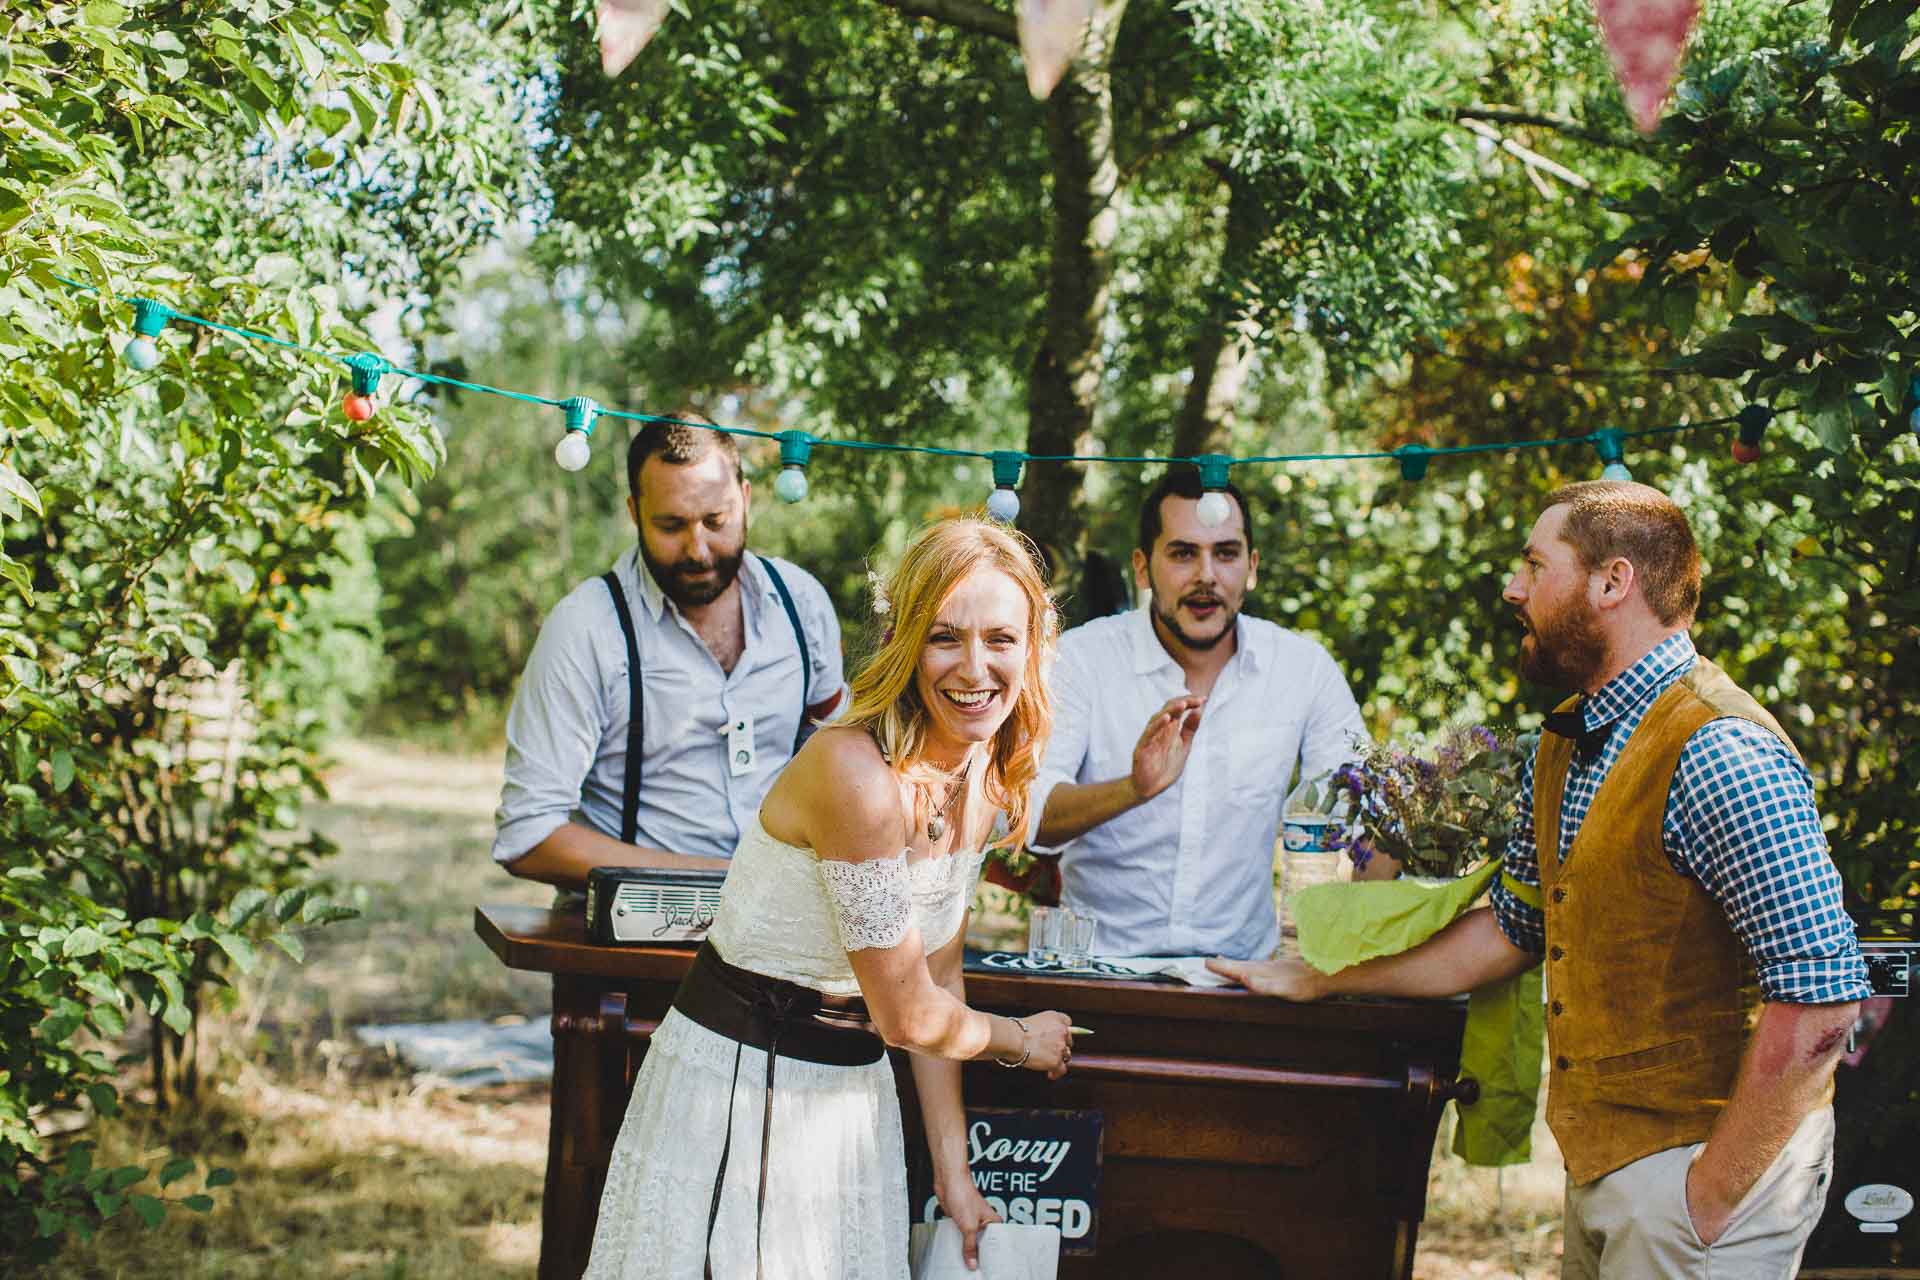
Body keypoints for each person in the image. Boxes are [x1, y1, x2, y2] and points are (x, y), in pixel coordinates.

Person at [1209, 481, 1870, 1278]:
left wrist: (1712, 1193)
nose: (1512, 588)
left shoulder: (1720, 750)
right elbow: (1512, 930)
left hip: (1704, 1180)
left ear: (1612, 582)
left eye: (1533, 565)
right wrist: (1324, 979)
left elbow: (1822, 998)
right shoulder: (1569, 740)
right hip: (1610, 1168)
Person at [582, 517, 1074, 1279]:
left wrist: (953, 1173)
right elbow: (906, 1014)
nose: (975, 667)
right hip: (740, 1095)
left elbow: (938, 974)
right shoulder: (854, 775)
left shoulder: (980, 778)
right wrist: (1019, 1040)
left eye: (1001, 639)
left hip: (848, 1109)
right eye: (945, 637)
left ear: (1032, 650)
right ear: (904, 645)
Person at [1029, 464, 1369, 959]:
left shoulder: (1303, 670)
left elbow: (1360, 813)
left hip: (1242, 977)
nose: (1207, 575)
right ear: (1143, 568)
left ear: (1251, 567)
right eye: (1183, 553)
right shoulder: (1081, 659)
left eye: (1225, 553)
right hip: (1101, 970)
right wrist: (1133, 789)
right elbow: (1027, 814)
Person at [492, 424, 846, 890]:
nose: (698, 550)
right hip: (629, 924)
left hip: (783, 918)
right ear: (634, 513)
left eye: (715, 521)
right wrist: (731, 881)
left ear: (745, 500)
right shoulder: (586, 628)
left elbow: (839, 762)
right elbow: (528, 836)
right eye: (671, 526)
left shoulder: (802, 604)